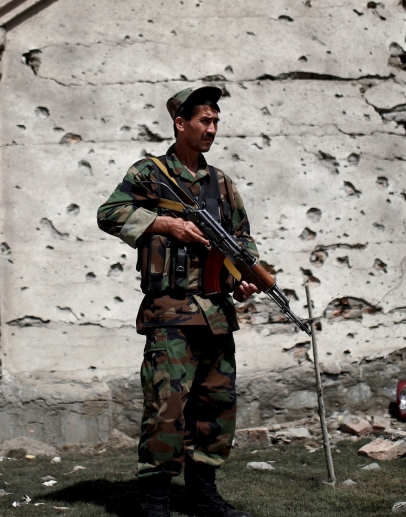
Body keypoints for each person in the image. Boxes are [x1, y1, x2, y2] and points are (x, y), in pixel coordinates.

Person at [97, 87, 259, 517]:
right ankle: (155, 501)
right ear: (180, 123)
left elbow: (242, 240)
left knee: (215, 408)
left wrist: (242, 279)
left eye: (216, 121)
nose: (212, 129)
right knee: (166, 409)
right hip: (170, 313)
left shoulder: (221, 183)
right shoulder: (149, 173)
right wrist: (165, 224)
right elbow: (108, 213)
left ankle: (203, 495)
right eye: (205, 121)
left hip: (217, 315)